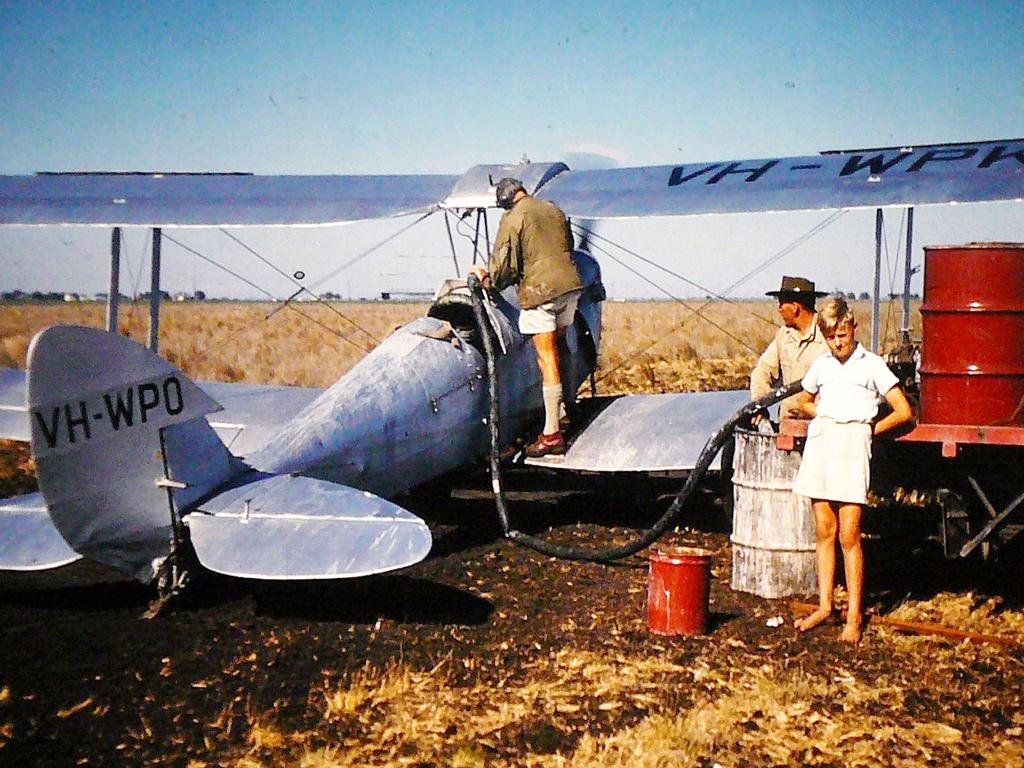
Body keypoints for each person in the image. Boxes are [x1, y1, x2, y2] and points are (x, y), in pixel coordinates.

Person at [791, 296, 914, 643]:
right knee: (823, 531)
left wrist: (868, 428)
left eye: (842, 335)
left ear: (853, 328)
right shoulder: (822, 365)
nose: (837, 343)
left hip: (852, 447)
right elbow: (804, 400)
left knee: (849, 535)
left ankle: (854, 618)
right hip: (822, 444)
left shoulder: (871, 365)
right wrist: (825, 414)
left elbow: (903, 411)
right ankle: (825, 605)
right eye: (830, 337)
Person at [468, 177, 583, 458]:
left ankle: (552, 434)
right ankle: (568, 407)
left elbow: (503, 268)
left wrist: (486, 278)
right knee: (561, 345)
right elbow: (566, 245)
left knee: (546, 358)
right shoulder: (553, 209)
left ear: (505, 202)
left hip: (541, 293)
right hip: (570, 287)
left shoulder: (512, 218)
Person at [750, 276, 831, 425]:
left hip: (820, 426)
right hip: (787, 426)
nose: (779, 309)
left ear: (795, 307)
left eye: (782, 303)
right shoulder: (783, 335)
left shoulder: (828, 336)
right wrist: (759, 405)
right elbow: (762, 372)